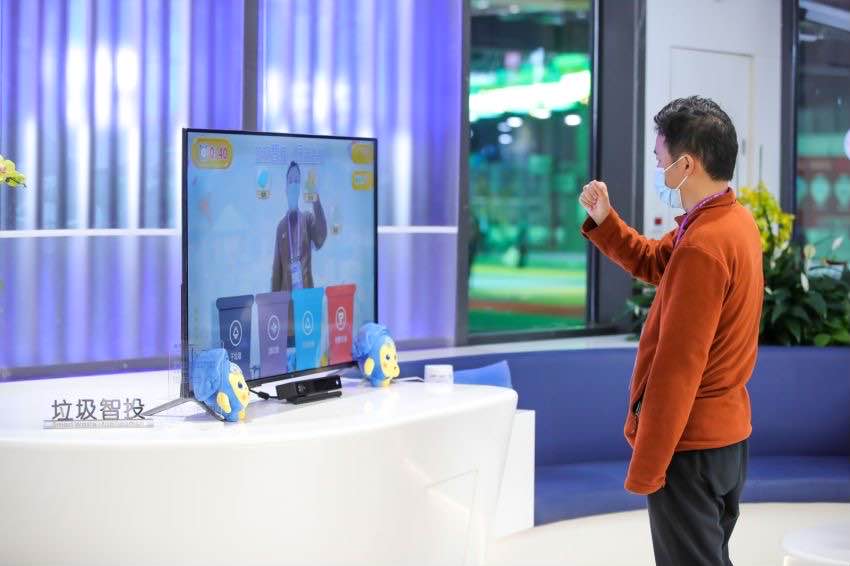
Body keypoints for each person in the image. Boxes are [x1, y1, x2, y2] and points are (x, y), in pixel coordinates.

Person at [579, 96, 763, 566]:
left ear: (687, 164)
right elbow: (655, 260)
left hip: (691, 450)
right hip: (725, 445)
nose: (658, 167)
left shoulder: (704, 244)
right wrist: (606, 221)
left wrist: (647, 466)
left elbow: (677, 369)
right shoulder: (731, 222)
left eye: (661, 157)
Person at [271, 160, 327, 293]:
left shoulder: (307, 219)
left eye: (297, 181)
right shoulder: (281, 227)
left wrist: (315, 198)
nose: (293, 184)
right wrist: (274, 300)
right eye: (291, 181)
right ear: (285, 188)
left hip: (306, 295)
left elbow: (320, 239)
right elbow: (277, 270)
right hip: (287, 298)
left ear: (300, 187)